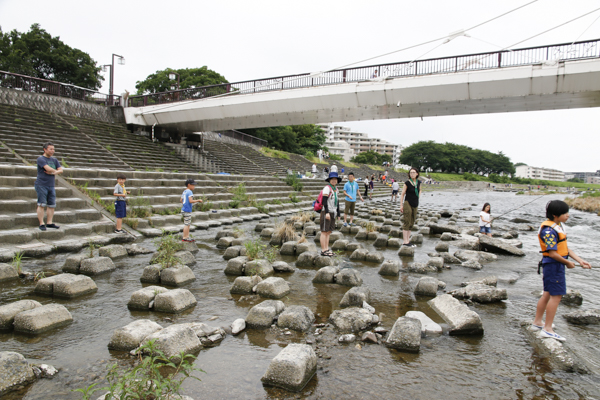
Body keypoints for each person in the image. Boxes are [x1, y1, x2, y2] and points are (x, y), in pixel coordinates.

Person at [532, 200, 591, 341]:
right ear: (555, 215)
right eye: (565, 213)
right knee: (556, 296)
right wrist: (568, 263)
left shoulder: (558, 226)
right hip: (553, 265)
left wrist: (580, 260)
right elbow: (552, 253)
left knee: (547, 294)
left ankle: (537, 322)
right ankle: (547, 329)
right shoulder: (548, 231)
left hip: (554, 264)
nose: (568, 215)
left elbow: (565, 248)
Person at [35, 142, 63, 231]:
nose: (52, 151)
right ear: (45, 149)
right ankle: (41, 223)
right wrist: (55, 171)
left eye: (53, 149)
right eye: (50, 149)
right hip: (41, 184)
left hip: (51, 185)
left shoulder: (54, 160)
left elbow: (61, 170)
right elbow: (48, 168)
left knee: (51, 205)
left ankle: (49, 222)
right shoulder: (41, 159)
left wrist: (53, 172)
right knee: (41, 204)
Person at [320, 172, 341, 257]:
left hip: (334, 212)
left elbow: (337, 202)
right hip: (326, 212)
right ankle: (323, 250)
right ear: (329, 180)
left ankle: (327, 249)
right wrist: (327, 212)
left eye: (335, 179)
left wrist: (339, 213)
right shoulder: (327, 188)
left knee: (328, 232)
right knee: (324, 231)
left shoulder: (336, 189)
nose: (334, 180)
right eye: (332, 179)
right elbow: (324, 201)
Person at [399, 168, 421, 247]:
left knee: (412, 222)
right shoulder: (407, 183)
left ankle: (408, 240)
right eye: (411, 173)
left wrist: (418, 197)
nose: (412, 174)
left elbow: (420, 190)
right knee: (407, 221)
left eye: (413, 172)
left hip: (415, 203)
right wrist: (401, 205)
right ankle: (405, 241)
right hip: (407, 202)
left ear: (417, 174)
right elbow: (402, 194)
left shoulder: (419, 183)